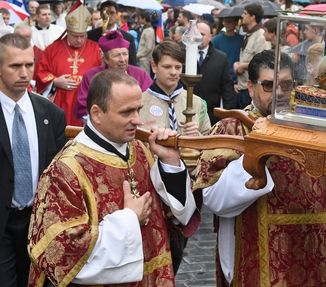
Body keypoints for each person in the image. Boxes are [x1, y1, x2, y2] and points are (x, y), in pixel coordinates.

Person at [194, 49, 326, 286]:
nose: (280, 93)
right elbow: (214, 199)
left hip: (311, 257)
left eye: (286, 84)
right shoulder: (231, 128)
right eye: (269, 85)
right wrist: (258, 151)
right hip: (256, 261)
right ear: (251, 87)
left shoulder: (310, 130)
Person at [27, 69, 199, 286]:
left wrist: (170, 163)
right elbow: (61, 254)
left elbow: (176, 216)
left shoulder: (141, 150)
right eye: (127, 112)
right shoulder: (65, 170)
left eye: (138, 110)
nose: (137, 120)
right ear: (97, 114)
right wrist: (129, 219)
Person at [0, 34, 66, 287]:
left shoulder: (50, 114)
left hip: (38, 223)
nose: (24, 73)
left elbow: (58, 171)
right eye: (15, 66)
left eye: (29, 64)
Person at [34, 3, 102, 126]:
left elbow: (104, 74)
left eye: (82, 36)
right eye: (75, 36)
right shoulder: (53, 49)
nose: (80, 40)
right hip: (60, 102)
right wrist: (55, 81)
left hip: (87, 103)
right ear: (68, 32)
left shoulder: (96, 49)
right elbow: (40, 71)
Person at [75, 31, 153, 122]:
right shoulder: (91, 76)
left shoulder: (140, 74)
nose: (122, 60)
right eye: (117, 55)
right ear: (106, 59)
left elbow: (150, 101)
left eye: (125, 54)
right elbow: (83, 108)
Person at [141, 41, 211, 136]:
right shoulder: (140, 103)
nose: (173, 72)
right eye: (167, 67)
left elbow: (209, 142)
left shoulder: (197, 103)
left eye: (178, 67)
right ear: (154, 66)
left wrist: (197, 136)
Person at [194, 20, 238, 125]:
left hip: (211, 114)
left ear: (210, 37)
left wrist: (228, 114)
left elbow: (227, 87)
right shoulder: (184, 55)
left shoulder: (220, 58)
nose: (199, 37)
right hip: (187, 111)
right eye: (196, 34)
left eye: (202, 34)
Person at [233, 3, 270, 108]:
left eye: (245, 13)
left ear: (253, 16)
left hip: (251, 89)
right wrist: (237, 65)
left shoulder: (261, 36)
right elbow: (245, 57)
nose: (242, 16)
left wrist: (242, 66)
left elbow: (263, 62)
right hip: (242, 87)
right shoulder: (248, 34)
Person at [87, 0, 138, 66]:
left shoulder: (127, 38)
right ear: (101, 15)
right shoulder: (91, 36)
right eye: (106, 13)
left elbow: (132, 64)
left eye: (112, 13)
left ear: (117, 15)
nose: (109, 16)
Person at [211, 9, 243, 83]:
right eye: (226, 21)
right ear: (223, 22)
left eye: (230, 21)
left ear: (235, 23)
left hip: (238, 77)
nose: (228, 24)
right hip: (221, 76)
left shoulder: (242, 39)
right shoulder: (216, 40)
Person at [136, 10, 157, 75]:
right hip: (143, 58)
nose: (138, 20)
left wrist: (139, 55)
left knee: (144, 76)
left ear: (144, 19)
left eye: (139, 18)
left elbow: (149, 47)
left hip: (145, 59)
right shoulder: (146, 29)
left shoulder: (149, 30)